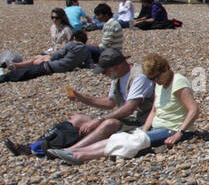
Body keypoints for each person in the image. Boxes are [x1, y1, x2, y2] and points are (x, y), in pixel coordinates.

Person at [50, 53, 200, 164]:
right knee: (120, 137)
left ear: (167, 69)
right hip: (157, 125)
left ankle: (80, 156)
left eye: (156, 78)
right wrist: (145, 128)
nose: (155, 82)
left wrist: (179, 133)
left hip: (172, 129)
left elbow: (194, 110)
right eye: (151, 79)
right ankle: (74, 151)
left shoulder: (179, 82)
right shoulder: (160, 84)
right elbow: (154, 109)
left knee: (131, 142)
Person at [3, 48, 154, 157]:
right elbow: (110, 103)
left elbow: (129, 108)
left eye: (104, 71)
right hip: (125, 118)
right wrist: (82, 98)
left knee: (108, 124)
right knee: (77, 119)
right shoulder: (118, 76)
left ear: (117, 66)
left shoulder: (139, 76)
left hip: (140, 122)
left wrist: (100, 119)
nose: (103, 75)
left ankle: (69, 152)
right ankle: (33, 147)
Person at [0, 31, 94, 82]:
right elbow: (88, 64)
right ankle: (12, 69)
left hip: (51, 67)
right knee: (30, 69)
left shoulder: (71, 45)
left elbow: (58, 55)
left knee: (26, 72)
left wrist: (50, 58)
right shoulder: (86, 50)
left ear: (74, 38)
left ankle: (4, 77)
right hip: (60, 69)